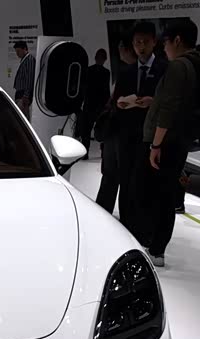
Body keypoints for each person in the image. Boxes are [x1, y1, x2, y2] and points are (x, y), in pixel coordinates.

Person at [137, 19, 200, 267]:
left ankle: (156, 248)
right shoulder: (197, 63)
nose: (163, 47)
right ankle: (156, 247)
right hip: (179, 141)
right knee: (165, 194)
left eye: (165, 42)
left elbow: (169, 109)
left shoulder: (179, 66)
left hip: (167, 143)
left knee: (158, 196)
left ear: (177, 40)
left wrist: (155, 145)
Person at [112, 21, 168, 235]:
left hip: (152, 135)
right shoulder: (126, 71)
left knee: (147, 182)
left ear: (154, 42)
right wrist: (120, 104)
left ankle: (146, 229)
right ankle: (126, 227)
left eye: (145, 42)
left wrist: (153, 102)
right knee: (126, 180)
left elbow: (169, 102)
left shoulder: (164, 69)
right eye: (137, 43)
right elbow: (116, 99)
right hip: (127, 134)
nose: (141, 46)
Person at [95, 37, 137, 214]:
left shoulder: (132, 73)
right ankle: (108, 214)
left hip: (122, 131)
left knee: (116, 176)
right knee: (114, 176)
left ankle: (109, 214)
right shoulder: (126, 72)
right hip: (116, 131)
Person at [174, 44, 200, 215]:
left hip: (183, 127)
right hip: (198, 129)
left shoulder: (192, 74)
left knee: (176, 166)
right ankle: (177, 202)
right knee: (180, 165)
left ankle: (176, 202)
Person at [79, 49, 111, 153]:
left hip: (90, 103)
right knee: (101, 129)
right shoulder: (106, 72)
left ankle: (85, 152)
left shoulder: (88, 70)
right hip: (100, 105)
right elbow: (106, 90)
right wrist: (108, 104)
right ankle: (103, 152)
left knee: (87, 130)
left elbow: (84, 88)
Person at [13, 41, 36, 120]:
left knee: (22, 118)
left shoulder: (29, 60)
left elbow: (29, 78)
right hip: (20, 93)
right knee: (21, 117)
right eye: (16, 51)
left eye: (18, 51)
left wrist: (26, 95)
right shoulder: (25, 60)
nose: (17, 53)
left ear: (25, 49)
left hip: (23, 94)